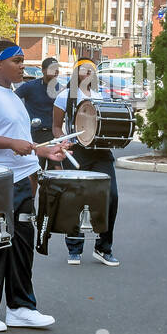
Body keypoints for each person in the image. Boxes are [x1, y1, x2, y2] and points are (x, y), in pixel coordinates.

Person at [0, 39, 68, 332]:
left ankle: (21, 308)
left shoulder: (13, 96)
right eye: (17, 61)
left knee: (20, 247)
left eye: (23, 61)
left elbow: (20, 143)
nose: (23, 66)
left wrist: (45, 151)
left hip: (19, 183)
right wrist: (10, 144)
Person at [54, 59, 120, 266]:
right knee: (75, 200)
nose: (88, 73)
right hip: (77, 151)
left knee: (110, 197)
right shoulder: (65, 96)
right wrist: (63, 140)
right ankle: (74, 247)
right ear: (76, 73)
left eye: (92, 70)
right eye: (84, 70)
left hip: (101, 152)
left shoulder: (102, 96)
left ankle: (103, 248)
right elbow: (56, 126)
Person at [15, 57, 60, 143]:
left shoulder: (61, 89)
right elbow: (12, 98)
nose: (56, 71)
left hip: (52, 133)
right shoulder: (30, 86)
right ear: (43, 71)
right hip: (32, 132)